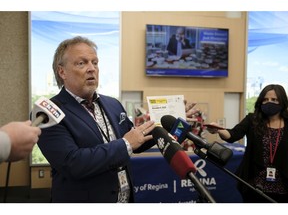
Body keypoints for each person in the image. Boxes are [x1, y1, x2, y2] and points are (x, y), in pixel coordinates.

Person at [37, 36, 197, 203]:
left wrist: (174, 122)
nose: (92, 69)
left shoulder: (112, 104)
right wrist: (125, 144)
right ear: (62, 71)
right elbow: (72, 163)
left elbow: (137, 142)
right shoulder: (48, 111)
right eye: (81, 63)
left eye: (95, 62)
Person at [206, 84, 288, 203]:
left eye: (274, 100)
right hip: (253, 186)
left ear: (282, 101)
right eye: (265, 99)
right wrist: (218, 130)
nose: (268, 102)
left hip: (283, 188)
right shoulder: (252, 119)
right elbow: (232, 135)